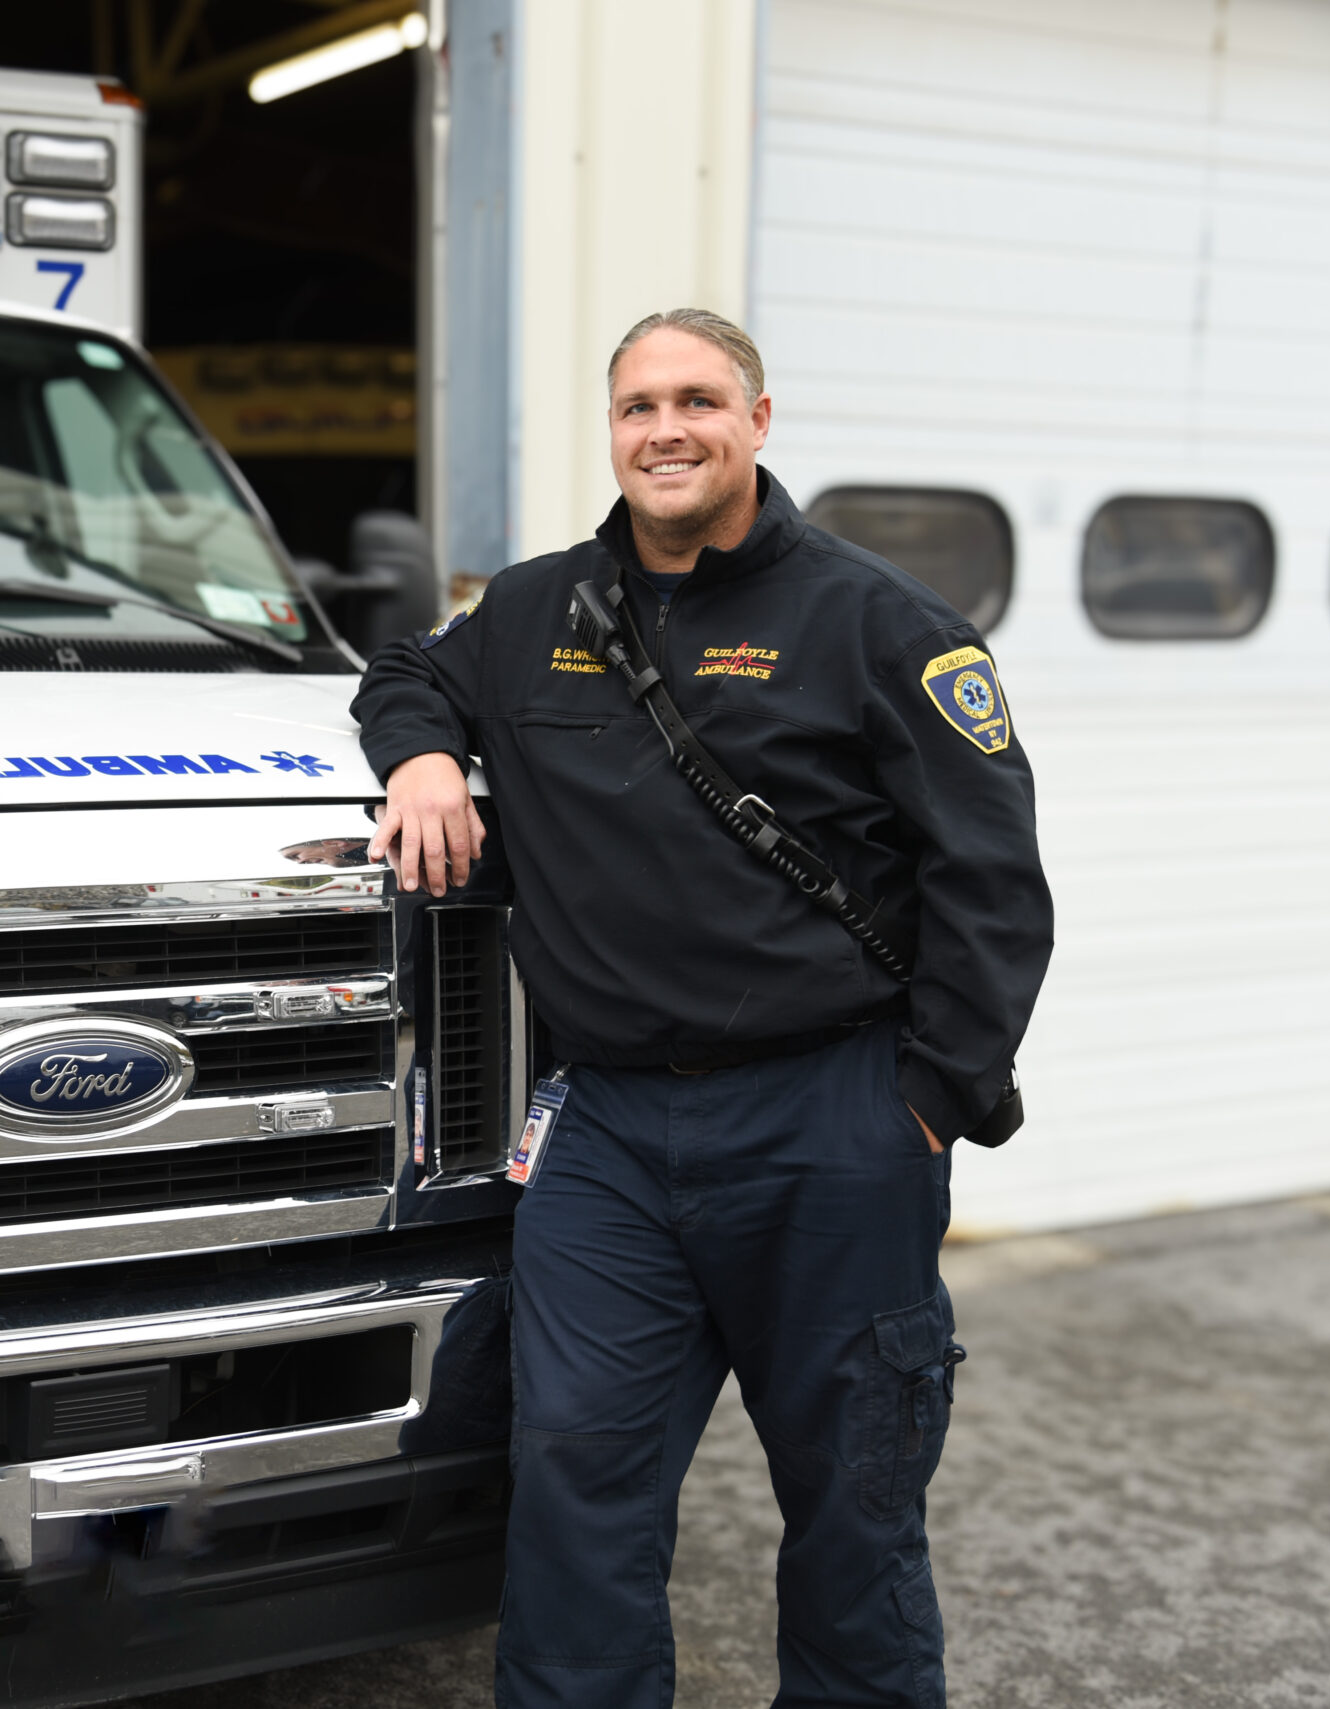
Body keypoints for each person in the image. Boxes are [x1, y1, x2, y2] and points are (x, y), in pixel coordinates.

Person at [354, 308, 1052, 1708]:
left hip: (831, 1125)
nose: (665, 430)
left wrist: (926, 1100)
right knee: (572, 1493)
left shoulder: (880, 624)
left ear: (758, 419)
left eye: (698, 401)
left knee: (855, 1509)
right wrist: (425, 756)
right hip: (608, 1136)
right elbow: (407, 671)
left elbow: (993, 881)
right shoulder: (539, 611)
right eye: (636, 408)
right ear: (611, 433)